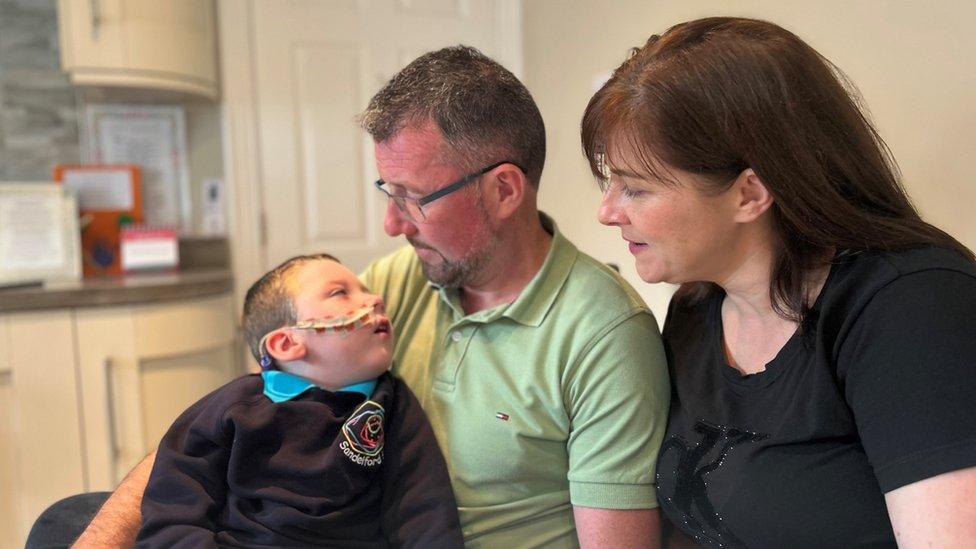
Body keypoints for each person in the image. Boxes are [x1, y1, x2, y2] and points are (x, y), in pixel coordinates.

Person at [70, 46, 671, 548]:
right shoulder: (397, 284)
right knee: (72, 523)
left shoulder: (605, 337)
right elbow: (240, 417)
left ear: (504, 189)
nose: (392, 223)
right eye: (387, 190)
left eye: (412, 197)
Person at [582, 16, 976, 548]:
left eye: (635, 189)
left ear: (749, 194)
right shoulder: (696, 310)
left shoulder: (913, 308)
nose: (608, 212)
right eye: (611, 182)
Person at [137, 254, 463, 547]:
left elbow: (424, 511)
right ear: (287, 343)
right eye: (340, 292)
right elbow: (173, 506)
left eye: (364, 290)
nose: (375, 299)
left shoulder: (391, 407)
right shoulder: (233, 406)